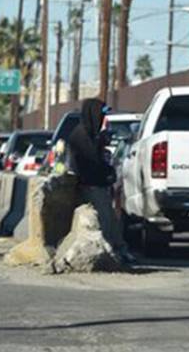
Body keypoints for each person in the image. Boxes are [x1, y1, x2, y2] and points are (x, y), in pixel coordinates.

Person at [66, 98, 133, 263]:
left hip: (99, 186)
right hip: (91, 187)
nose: (104, 118)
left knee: (110, 220)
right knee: (104, 220)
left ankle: (119, 250)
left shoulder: (91, 134)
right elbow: (90, 164)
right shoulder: (81, 136)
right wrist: (105, 174)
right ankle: (111, 253)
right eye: (101, 115)